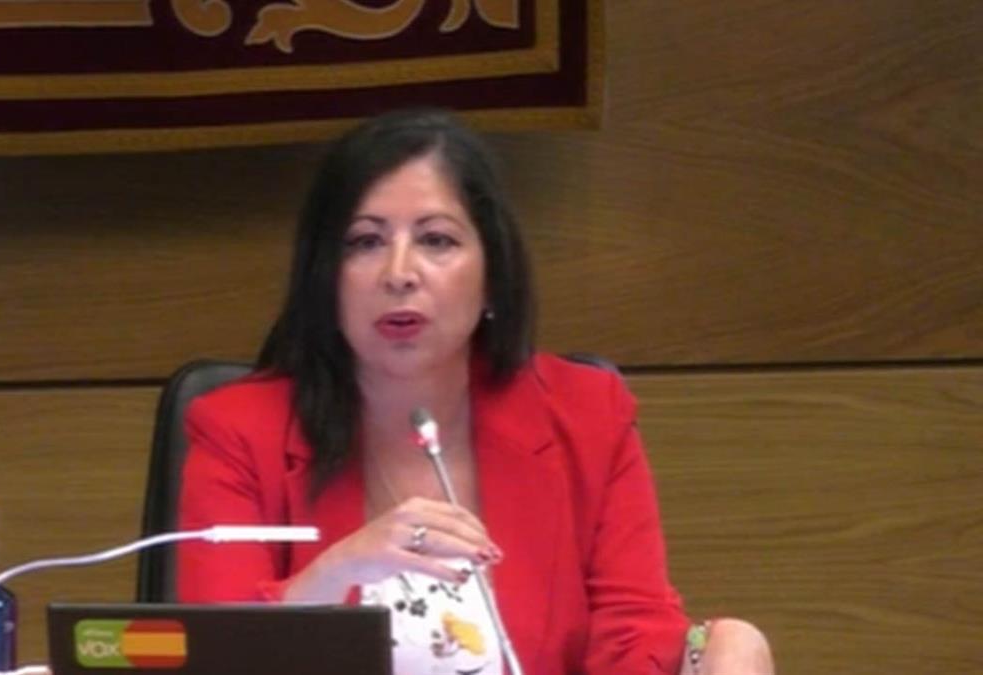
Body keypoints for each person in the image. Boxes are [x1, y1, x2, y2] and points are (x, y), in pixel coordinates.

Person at [176, 108, 774, 674]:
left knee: (736, 645)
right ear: (324, 277)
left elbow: (632, 632)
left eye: (436, 240)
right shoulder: (237, 430)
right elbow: (214, 654)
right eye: (364, 242)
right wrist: (334, 575)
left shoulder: (587, 414)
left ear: (492, 276)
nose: (399, 273)